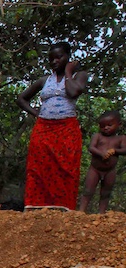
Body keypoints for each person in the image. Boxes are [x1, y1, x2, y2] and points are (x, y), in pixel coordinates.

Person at [17, 42, 89, 210]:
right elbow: (21, 99)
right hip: (44, 128)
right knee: (38, 168)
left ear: (68, 57)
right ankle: (36, 207)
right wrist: (36, 113)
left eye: (59, 57)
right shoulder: (44, 80)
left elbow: (73, 92)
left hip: (67, 128)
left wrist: (69, 72)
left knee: (66, 168)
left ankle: (63, 208)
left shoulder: (80, 76)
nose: (54, 61)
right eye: (51, 59)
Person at [79, 111, 126, 214]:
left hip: (110, 170)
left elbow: (124, 150)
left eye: (109, 125)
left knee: (106, 193)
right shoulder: (98, 136)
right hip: (95, 169)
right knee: (88, 190)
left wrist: (115, 151)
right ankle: (81, 211)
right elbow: (91, 147)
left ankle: (101, 213)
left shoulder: (121, 138)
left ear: (119, 124)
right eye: (102, 126)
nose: (106, 128)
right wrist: (101, 154)